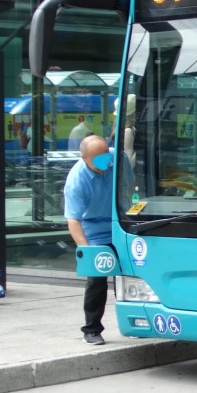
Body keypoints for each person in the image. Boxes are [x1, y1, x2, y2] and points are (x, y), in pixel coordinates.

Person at [64, 134, 115, 344]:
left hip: (119, 222)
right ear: (84, 158)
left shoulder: (116, 159)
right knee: (96, 278)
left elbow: (130, 188)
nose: (104, 164)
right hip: (93, 228)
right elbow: (73, 220)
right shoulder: (76, 181)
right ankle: (92, 329)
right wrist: (87, 252)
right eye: (97, 160)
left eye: (106, 157)